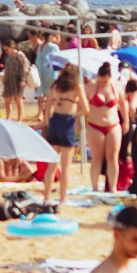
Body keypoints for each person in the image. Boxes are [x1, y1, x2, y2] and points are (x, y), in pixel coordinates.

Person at [43, 64, 89, 208]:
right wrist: (75, 116)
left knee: (52, 165)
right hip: (67, 121)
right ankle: (63, 198)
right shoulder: (76, 87)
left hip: (55, 121)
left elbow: (47, 106)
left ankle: (47, 197)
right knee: (66, 165)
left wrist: (48, 121)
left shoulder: (55, 86)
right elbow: (86, 109)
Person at [85, 62, 126, 192]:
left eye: (105, 82)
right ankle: (95, 187)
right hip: (95, 125)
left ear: (110, 77)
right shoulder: (90, 86)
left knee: (113, 157)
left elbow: (124, 105)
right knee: (97, 158)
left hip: (113, 124)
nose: (102, 84)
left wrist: (126, 121)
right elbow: (81, 102)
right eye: (101, 81)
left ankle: (113, 187)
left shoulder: (117, 86)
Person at [1, 40, 27, 121]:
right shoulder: (9, 57)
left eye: (7, 49)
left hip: (17, 80)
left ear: (12, 47)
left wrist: (22, 79)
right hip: (8, 80)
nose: (6, 51)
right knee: (7, 100)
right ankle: (8, 117)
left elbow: (23, 68)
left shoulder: (19, 56)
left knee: (18, 100)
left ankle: (19, 119)